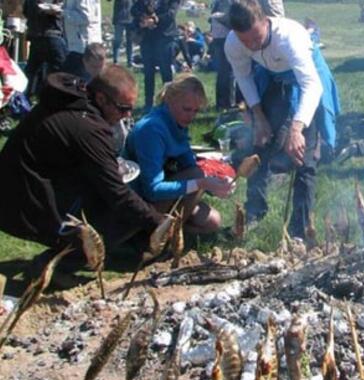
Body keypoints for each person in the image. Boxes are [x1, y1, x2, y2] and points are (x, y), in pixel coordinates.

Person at [0, 65, 164, 255]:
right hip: (25, 202)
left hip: (19, 189)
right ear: (101, 99)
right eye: (123, 108)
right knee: (119, 214)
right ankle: (63, 260)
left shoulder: (71, 101)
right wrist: (158, 222)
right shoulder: (87, 127)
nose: (127, 115)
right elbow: (116, 192)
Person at [224, 0, 340, 239]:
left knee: (303, 158)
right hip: (272, 78)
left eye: (257, 38)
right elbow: (244, 78)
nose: (253, 46)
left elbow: (311, 85)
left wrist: (297, 129)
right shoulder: (234, 43)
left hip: (307, 79)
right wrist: (259, 116)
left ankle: (301, 226)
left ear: (266, 21)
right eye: (247, 41)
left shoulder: (289, 38)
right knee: (260, 144)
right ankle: (255, 212)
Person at [125, 74, 236, 234]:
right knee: (196, 176)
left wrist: (217, 186)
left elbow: (189, 164)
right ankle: (157, 237)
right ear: (170, 99)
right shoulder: (152, 129)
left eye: (195, 111)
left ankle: (163, 232)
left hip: (163, 194)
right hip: (140, 202)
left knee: (213, 222)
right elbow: (152, 190)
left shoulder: (176, 121)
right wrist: (201, 183)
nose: (191, 116)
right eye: (186, 109)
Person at [131, 0, 180, 111]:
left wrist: (155, 19)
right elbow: (134, 9)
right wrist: (143, 18)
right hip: (147, 37)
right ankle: (148, 103)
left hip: (164, 36)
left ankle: (168, 102)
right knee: (148, 72)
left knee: (165, 71)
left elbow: (171, 14)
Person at [23, 0, 67, 97]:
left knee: (32, 72)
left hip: (36, 36)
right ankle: (58, 101)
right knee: (61, 72)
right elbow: (62, 10)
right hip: (53, 34)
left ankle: (24, 100)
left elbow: (25, 11)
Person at [210, 0, 238, 110]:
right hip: (226, 38)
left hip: (220, 38)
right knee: (229, 72)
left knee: (224, 72)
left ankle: (221, 103)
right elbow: (225, 19)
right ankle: (228, 103)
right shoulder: (226, 2)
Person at [62, 0, 102, 74]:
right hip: (77, 44)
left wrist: (62, 12)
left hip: (83, 45)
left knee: (81, 78)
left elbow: (85, 18)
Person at [110, 0, 134, 67]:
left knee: (130, 41)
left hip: (130, 18)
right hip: (119, 18)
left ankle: (130, 61)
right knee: (117, 40)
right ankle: (115, 61)